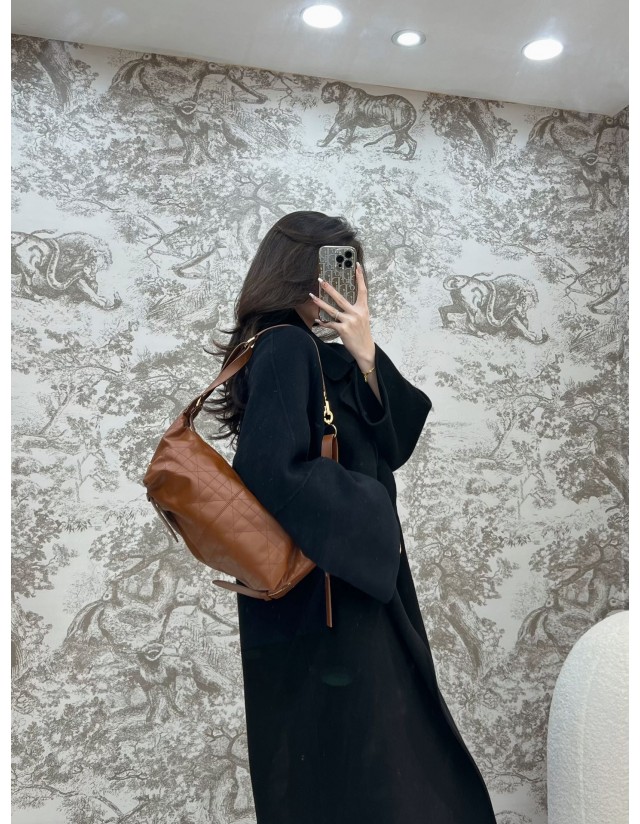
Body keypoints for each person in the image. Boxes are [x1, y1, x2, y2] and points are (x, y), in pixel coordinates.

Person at [204, 211, 497, 823]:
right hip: (330, 603)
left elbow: (393, 443)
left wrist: (365, 355)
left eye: (352, 269)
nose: (347, 281)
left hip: (335, 593)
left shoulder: (314, 353)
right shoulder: (286, 346)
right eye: (337, 268)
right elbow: (270, 470)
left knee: (358, 772)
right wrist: (374, 516)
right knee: (380, 775)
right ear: (302, 272)